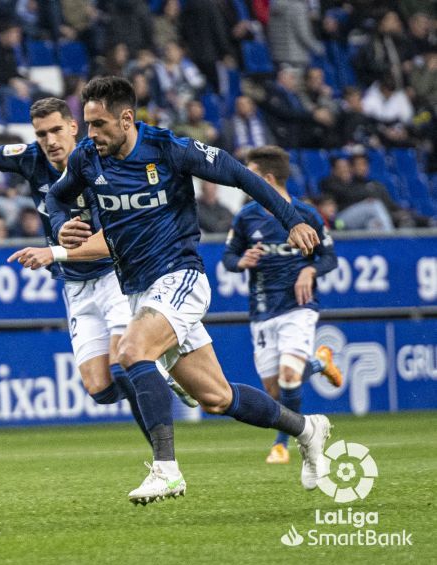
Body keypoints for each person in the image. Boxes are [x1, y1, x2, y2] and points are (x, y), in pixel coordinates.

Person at [47, 76, 332, 504]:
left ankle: (166, 471)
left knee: (130, 351)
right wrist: (60, 225)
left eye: (99, 124)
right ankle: (308, 429)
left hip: (180, 277)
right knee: (218, 397)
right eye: (88, 124)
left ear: (127, 119)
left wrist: (292, 219)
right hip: (140, 291)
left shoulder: (168, 149)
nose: (91, 135)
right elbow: (56, 197)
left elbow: (240, 175)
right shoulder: (88, 158)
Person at [0, 55, 194, 452]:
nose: (49, 141)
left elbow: (117, 235)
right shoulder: (31, 158)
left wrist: (54, 252)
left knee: (125, 360)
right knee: (99, 388)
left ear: (73, 127)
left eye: (55, 131)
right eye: (40, 133)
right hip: (76, 286)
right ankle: (159, 376)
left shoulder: (103, 159)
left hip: (117, 276)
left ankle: (163, 456)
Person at [222, 146, 343, 464]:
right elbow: (228, 258)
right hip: (262, 310)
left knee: (290, 375)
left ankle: (283, 445)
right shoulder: (246, 217)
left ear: (267, 178)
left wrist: (310, 269)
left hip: (298, 306)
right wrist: (241, 261)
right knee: (275, 392)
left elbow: (329, 257)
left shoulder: (306, 215)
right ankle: (318, 363)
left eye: (249, 174)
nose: (242, 181)